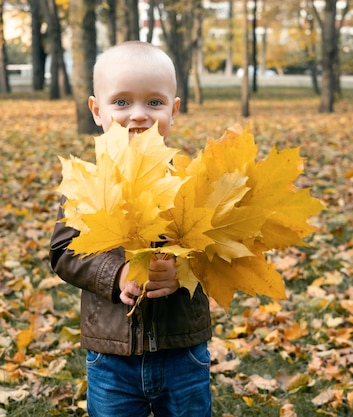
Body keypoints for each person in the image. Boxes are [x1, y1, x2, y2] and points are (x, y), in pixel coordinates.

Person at [49, 41, 213, 417]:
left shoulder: (190, 181)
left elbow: (219, 249)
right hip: (112, 357)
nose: (137, 115)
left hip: (183, 352)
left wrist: (183, 270)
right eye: (121, 102)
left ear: (174, 110)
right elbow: (63, 252)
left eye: (154, 103)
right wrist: (116, 272)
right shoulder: (87, 184)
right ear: (96, 110)